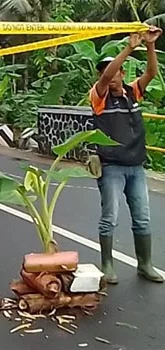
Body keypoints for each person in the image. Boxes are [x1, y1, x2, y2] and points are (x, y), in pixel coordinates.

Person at [89, 26, 163, 284]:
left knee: (142, 218)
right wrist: (130, 47)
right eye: (103, 72)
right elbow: (107, 74)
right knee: (110, 217)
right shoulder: (98, 97)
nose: (108, 75)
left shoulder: (133, 92)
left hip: (136, 166)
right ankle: (107, 265)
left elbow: (152, 72)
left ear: (123, 73)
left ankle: (145, 264)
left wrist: (150, 45)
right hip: (111, 167)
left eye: (114, 71)